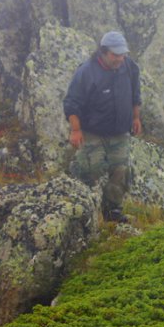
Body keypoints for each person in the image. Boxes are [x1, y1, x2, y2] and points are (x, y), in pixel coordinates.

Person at [63, 31, 142, 222]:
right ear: (103, 52)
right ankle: (82, 207)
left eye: (123, 54)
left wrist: (136, 118)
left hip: (120, 132)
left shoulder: (129, 67)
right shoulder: (86, 72)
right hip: (93, 132)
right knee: (92, 170)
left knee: (121, 170)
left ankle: (112, 210)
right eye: (116, 55)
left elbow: (135, 94)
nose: (120, 59)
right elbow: (72, 103)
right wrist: (75, 130)